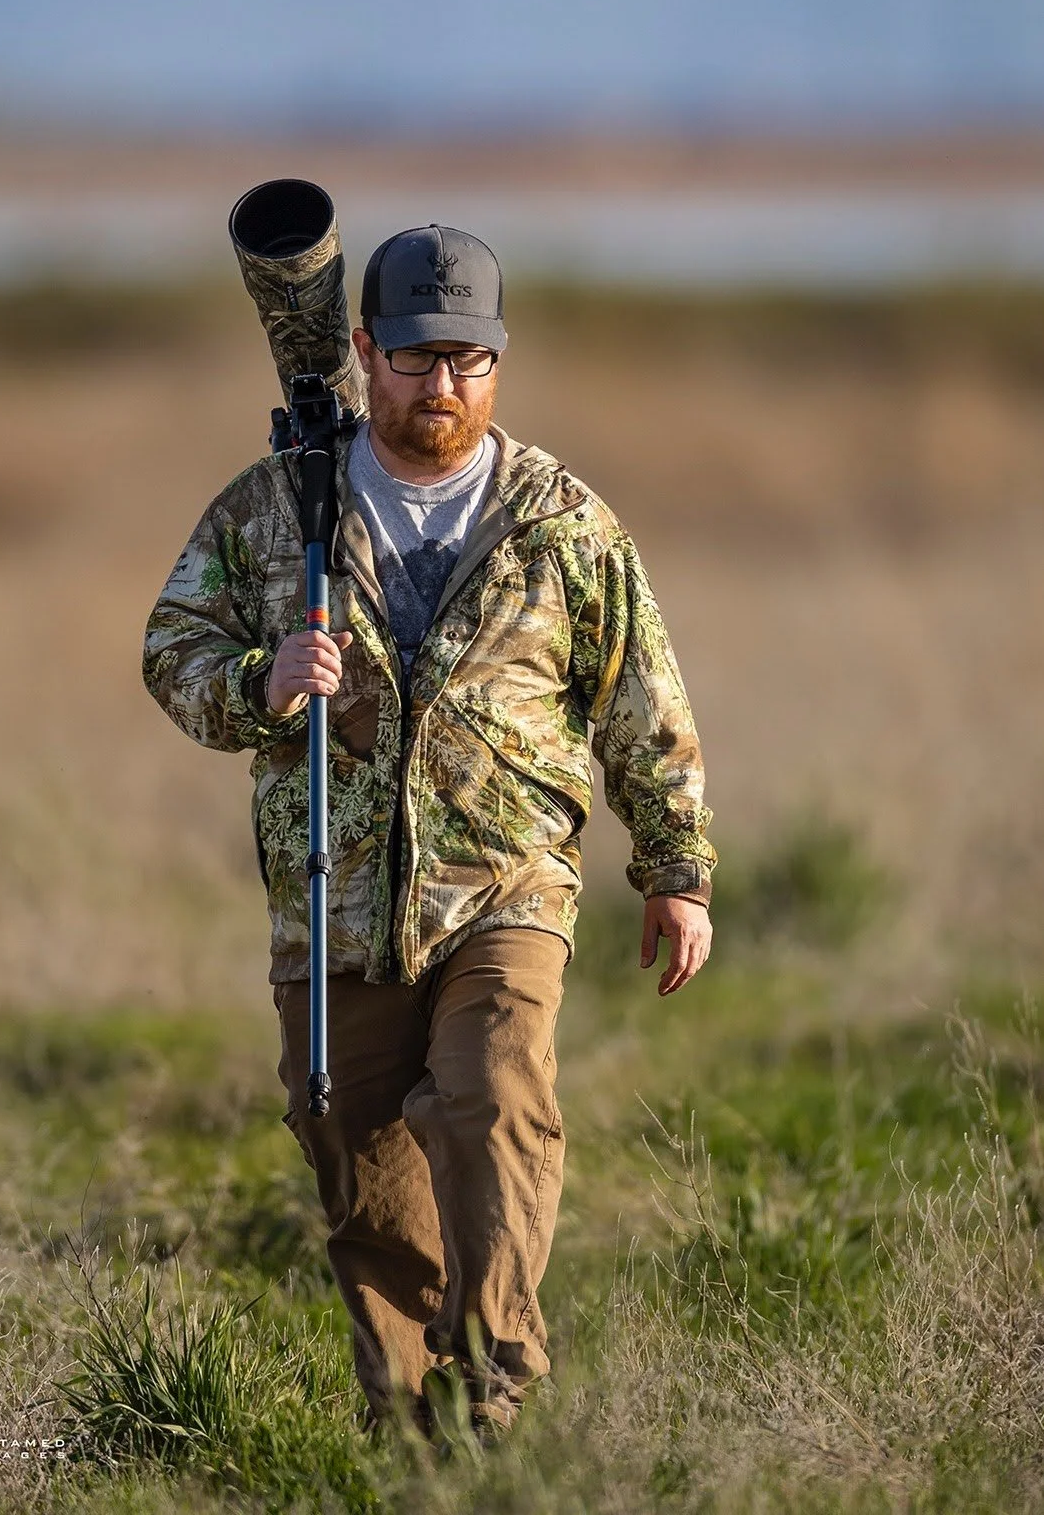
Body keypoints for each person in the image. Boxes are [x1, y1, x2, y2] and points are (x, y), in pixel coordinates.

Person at [142, 223, 716, 1439]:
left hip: (507, 887)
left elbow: (643, 700)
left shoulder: (562, 521)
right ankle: (411, 1429)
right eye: (413, 358)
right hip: (336, 896)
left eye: (466, 358)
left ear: (497, 358)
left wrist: (677, 870)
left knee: (497, 1094)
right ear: (365, 352)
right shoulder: (277, 508)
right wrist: (260, 681)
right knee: (352, 1151)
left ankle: (496, 1379)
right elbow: (171, 649)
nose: (440, 384)